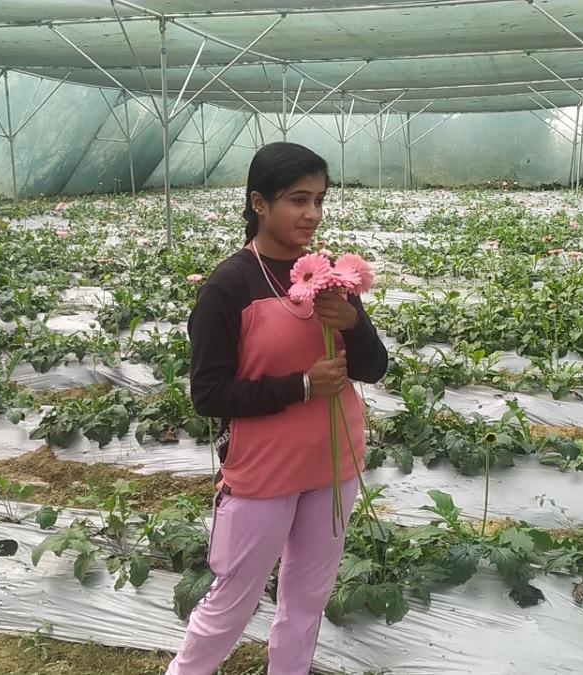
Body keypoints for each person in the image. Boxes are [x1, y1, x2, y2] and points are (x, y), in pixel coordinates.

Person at [167, 142, 389, 675]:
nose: (311, 215)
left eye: (319, 200)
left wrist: (353, 324)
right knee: (231, 601)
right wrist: (301, 386)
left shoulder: (329, 276)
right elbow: (209, 395)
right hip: (263, 471)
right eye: (297, 200)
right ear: (259, 204)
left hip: (333, 467)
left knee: (307, 601)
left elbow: (373, 368)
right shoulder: (229, 287)